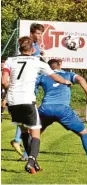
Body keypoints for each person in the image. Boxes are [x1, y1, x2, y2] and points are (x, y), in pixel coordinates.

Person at [1, 36, 72, 174]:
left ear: (19, 48)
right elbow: (53, 76)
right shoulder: (37, 61)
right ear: (33, 49)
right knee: (35, 133)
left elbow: (4, 81)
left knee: (23, 131)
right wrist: (65, 82)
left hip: (13, 101)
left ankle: (35, 164)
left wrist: (11, 91)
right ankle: (31, 161)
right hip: (27, 100)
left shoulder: (10, 61)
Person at [35, 59, 87, 164]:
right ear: (60, 65)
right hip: (62, 110)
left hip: (45, 109)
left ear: (48, 67)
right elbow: (81, 79)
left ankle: (27, 156)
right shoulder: (68, 74)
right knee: (85, 133)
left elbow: (33, 86)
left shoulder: (43, 76)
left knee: (35, 134)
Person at [11, 23, 46, 161]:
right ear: (31, 33)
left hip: (26, 86)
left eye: (41, 33)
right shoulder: (32, 48)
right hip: (29, 86)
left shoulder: (33, 46)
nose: (39, 36)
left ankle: (23, 147)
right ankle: (19, 142)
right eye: (37, 33)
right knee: (30, 118)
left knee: (25, 118)